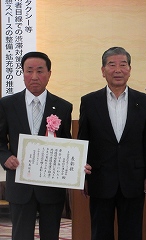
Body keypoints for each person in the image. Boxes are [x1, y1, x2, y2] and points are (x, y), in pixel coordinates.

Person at [0, 51, 91, 240]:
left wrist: (77, 165)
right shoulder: (7, 104)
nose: (34, 77)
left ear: (49, 73)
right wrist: (5, 156)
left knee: (51, 235)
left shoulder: (63, 107)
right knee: (21, 236)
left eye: (40, 71)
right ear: (23, 73)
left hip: (51, 186)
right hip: (20, 184)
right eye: (29, 71)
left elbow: (67, 144)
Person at [77, 46, 146, 240]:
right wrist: (83, 178)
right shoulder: (89, 102)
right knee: (100, 232)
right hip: (100, 178)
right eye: (111, 65)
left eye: (123, 64)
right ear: (103, 71)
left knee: (132, 233)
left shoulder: (144, 102)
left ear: (130, 69)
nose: (118, 70)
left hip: (134, 179)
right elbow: (84, 141)